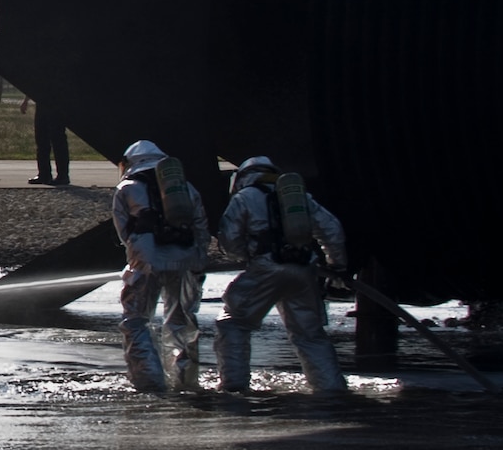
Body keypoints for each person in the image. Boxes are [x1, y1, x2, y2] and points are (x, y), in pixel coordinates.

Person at [213, 156, 348, 394]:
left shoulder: (245, 197)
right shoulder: (300, 198)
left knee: (233, 324)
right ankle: (331, 390)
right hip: (304, 269)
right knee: (311, 335)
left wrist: (246, 256)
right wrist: (336, 264)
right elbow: (332, 229)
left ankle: (233, 388)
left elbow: (229, 237)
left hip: (265, 268)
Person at [113, 140, 209, 393]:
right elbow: (201, 229)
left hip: (146, 262)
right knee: (182, 323)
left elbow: (124, 232)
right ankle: (186, 383)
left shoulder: (126, 188)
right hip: (185, 262)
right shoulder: (185, 187)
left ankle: (150, 383)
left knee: (136, 322)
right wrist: (198, 265)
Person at [20, 96, 70, 186]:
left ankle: (63, 175)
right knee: (41, 139)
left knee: (58, 140)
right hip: (42, 104)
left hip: (57, 103)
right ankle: (44, 174)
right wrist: (26, 101)